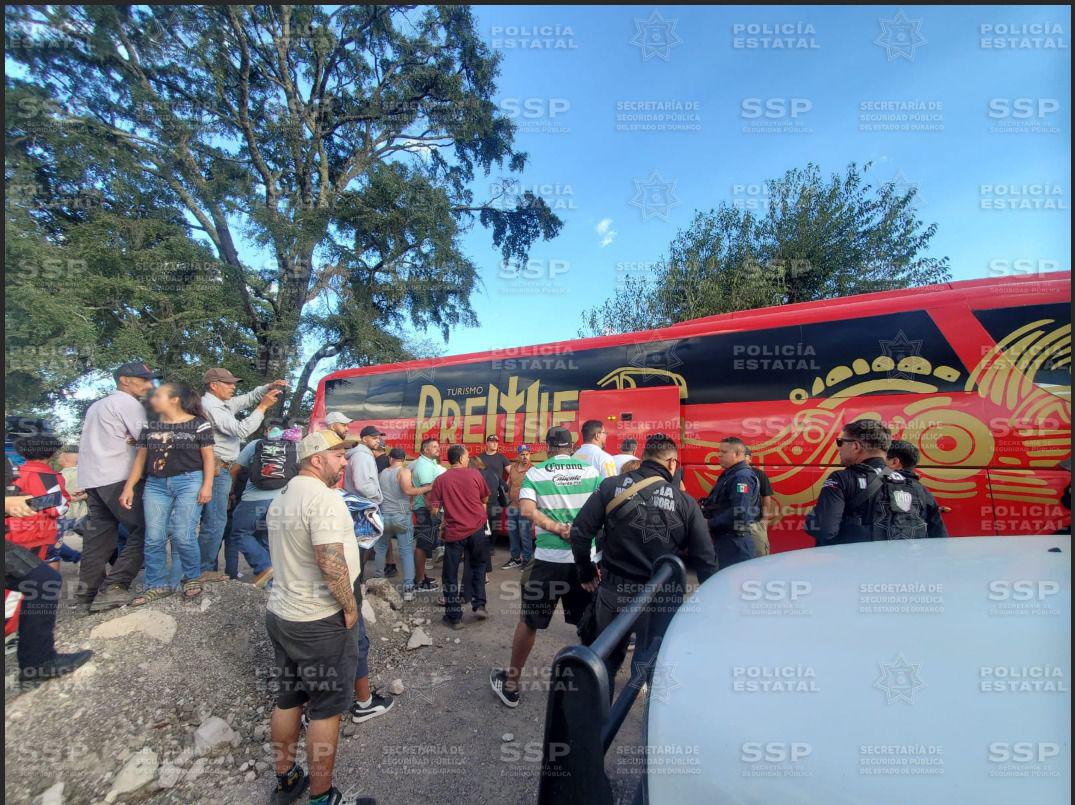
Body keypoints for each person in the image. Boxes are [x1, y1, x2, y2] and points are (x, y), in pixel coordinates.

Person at [263, 430, 377, 805]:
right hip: (318, 620)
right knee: (326, 708)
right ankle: (322, 797)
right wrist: (349, 606)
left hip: (282, 614)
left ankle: (286, 779)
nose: (345, 462)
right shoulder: (323, 498)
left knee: (288, 699)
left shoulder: (283, 495)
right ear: (316, 459)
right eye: (338, 455)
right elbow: (329, 560)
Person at [571, 433, 718, 691]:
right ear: (672, 463)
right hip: (661, 596)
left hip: (614, 591)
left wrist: (586, 572)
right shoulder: (686, 502)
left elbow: (580, 532)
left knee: (604, 663)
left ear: (644, 457)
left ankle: (600, 715)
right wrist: (711, 604)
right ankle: (649, 710)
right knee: (653, 667)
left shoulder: (610, 486)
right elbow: (706, 559)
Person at [490, 427, 601, 709]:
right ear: (572, 447)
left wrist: (558, 528)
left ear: (548, 448)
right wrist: (579, 533)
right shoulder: (591, 472)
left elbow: (527, 510)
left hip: (547, 562)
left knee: (529, 622)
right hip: (584, 561)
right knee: (588, 625)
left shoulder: (536, 473)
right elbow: (602, 510)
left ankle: (511, 685)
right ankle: (590, 685)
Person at [118, 381, 215, 604]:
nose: (152, 399)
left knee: (183, 534)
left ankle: (191, 577)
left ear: (174, 400)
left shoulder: (199, 424)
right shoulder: (150, 426)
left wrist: (207, 485)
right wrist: (128, 487)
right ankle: (156, 585)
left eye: (158, 395)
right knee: (154, 537)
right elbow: (140, 459)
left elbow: (208, 456)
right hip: (155, 484)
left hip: (189, 481)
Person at [77, 360, 157, 612]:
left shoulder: (97, 405)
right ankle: (115, 586)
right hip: (119, 477)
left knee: (98, 539)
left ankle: (86, 596)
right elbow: (148, 441)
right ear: (124, 380)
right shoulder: (128, 404)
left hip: (93, 479)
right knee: (149, 529)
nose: (148, 385)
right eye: (143, 380)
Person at [6, 457, 94, 687]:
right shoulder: (45, 474)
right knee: (43, 578)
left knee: (43, 579)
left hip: (18, 536)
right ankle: (36, 661)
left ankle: (37, 662)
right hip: (34, 536)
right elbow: (56, 507)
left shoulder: (24, 470)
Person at [199, 368, 286, 581]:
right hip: (217, 468)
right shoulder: (211, 407)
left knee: (218, 523)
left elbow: (247, 398)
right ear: (213, 385)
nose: (233, 387)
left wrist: (268, 387)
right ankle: (203, 571)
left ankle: (205, 569)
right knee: (215, 523)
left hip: (223, 469)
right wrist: (263, 407)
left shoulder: (223, 405)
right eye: (228, 383)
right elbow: (241, 430)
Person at [805, 419, 937, 544]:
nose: (838, 448)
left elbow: (824, 530)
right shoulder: (915, 485)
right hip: (906, 560)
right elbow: (939, 538)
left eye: (840, 442)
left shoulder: (841, 479)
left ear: (855, 446)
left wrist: (814, 516)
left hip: (854, 560)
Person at [228, 424, 302, 587]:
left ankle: (264, 567)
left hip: (253, 500)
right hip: (282, 500)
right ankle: (271, 585)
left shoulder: (255, 444)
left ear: (267, 432)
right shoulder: (295, 446)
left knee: (239, 534)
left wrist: (231, 492)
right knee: (267, 538)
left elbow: (234, 470)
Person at [428, 444, 491, 628]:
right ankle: (479, 605)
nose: (468, 458)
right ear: (462, 459)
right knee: (478, 567)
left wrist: (443, 520)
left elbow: (434, 510)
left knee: (450, 574)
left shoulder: (440, 480)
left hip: (454, 532)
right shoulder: (475, 474)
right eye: (467, 455)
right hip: (477, 529)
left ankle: (454, 617)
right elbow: (485, 498)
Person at [6, 435, 70, 571]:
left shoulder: (12, 474)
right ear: (51, 453)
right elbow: (57, 509)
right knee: (48, 566)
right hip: (39, 535)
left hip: (13, 532)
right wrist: (65, 499)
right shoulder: (49, 476)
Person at [376, 448, 430, 602]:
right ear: (404, 459)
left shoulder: (382, 473)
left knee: (380, 549)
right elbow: (408, 490)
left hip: (384, 515)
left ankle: (378, 582)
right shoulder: (404, 471)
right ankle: (408, 589)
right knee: (406, 552)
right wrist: (428, 487)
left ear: (390, 458)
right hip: (401, 516)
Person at [701, 437, 761, 569]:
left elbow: (740, 512)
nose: (719, 455)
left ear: (737, 454)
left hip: (735, 544)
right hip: (728, 541)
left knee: (735, 580)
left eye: (724, 452)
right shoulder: (731, 475)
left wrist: (709, 523)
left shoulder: (741, 477)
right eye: (719, 451)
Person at [884, 439, 949, 539]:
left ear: (894, 462)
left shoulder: (879, 485)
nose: (879, 465)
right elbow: (938, 532)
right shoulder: (922, 490)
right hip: (915, 547)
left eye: (882, 460)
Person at [411, 438, 445, 593]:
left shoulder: (429, 463)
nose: (438, 448)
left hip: (427, 509)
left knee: (426, 544)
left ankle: (421, 576)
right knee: (423, 545)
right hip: (425, 510)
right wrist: (434, 509)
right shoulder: (424, 465)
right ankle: (419, 581)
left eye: (438, 446)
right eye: (434, 446)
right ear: (425, 449)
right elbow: (427, 491)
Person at [502, 444, 534, 569]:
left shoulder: (533, 470)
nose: (525, 457)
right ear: (518, 456)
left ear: (530, 455)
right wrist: (506, 498)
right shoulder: (513, 468)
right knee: (512, 534)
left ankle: (527, 559)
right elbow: (509, 484)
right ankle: (515, 558)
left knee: (525, 535)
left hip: (525, 508)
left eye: (527, 454)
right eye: (522, 454)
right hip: (512, 507)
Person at [744, 446, 774, 557]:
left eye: (744, 456)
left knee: (760, 556)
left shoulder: (759, 474)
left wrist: (765, 519)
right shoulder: (729, 475)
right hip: (735, 525)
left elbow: (766, 497)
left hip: (755, 523)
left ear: (750, 458)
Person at [343, 426, 384, 506]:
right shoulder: (362, 456)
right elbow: (362, 485)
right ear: (365, 439)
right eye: (374, 438)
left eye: (379, 438)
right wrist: (377, 496)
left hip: (360, 503)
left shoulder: (363, 454)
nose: (378, 441)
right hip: (362, 504)